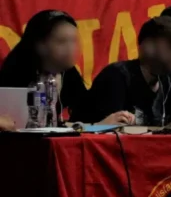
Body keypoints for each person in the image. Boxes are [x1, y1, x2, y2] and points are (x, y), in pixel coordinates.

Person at [0, 10, 132, 125]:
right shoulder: (15, 74)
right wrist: (96, 125)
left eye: (74, 41)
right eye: (61, 41)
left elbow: (85, 116)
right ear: (39, 46)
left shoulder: (68, 72)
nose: (71, 48)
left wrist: (102, 124)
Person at [88, 16, 171, 127]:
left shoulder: (168, 82)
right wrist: (165, 130)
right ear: (148, 46)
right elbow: (110, 131)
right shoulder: (117, 76)